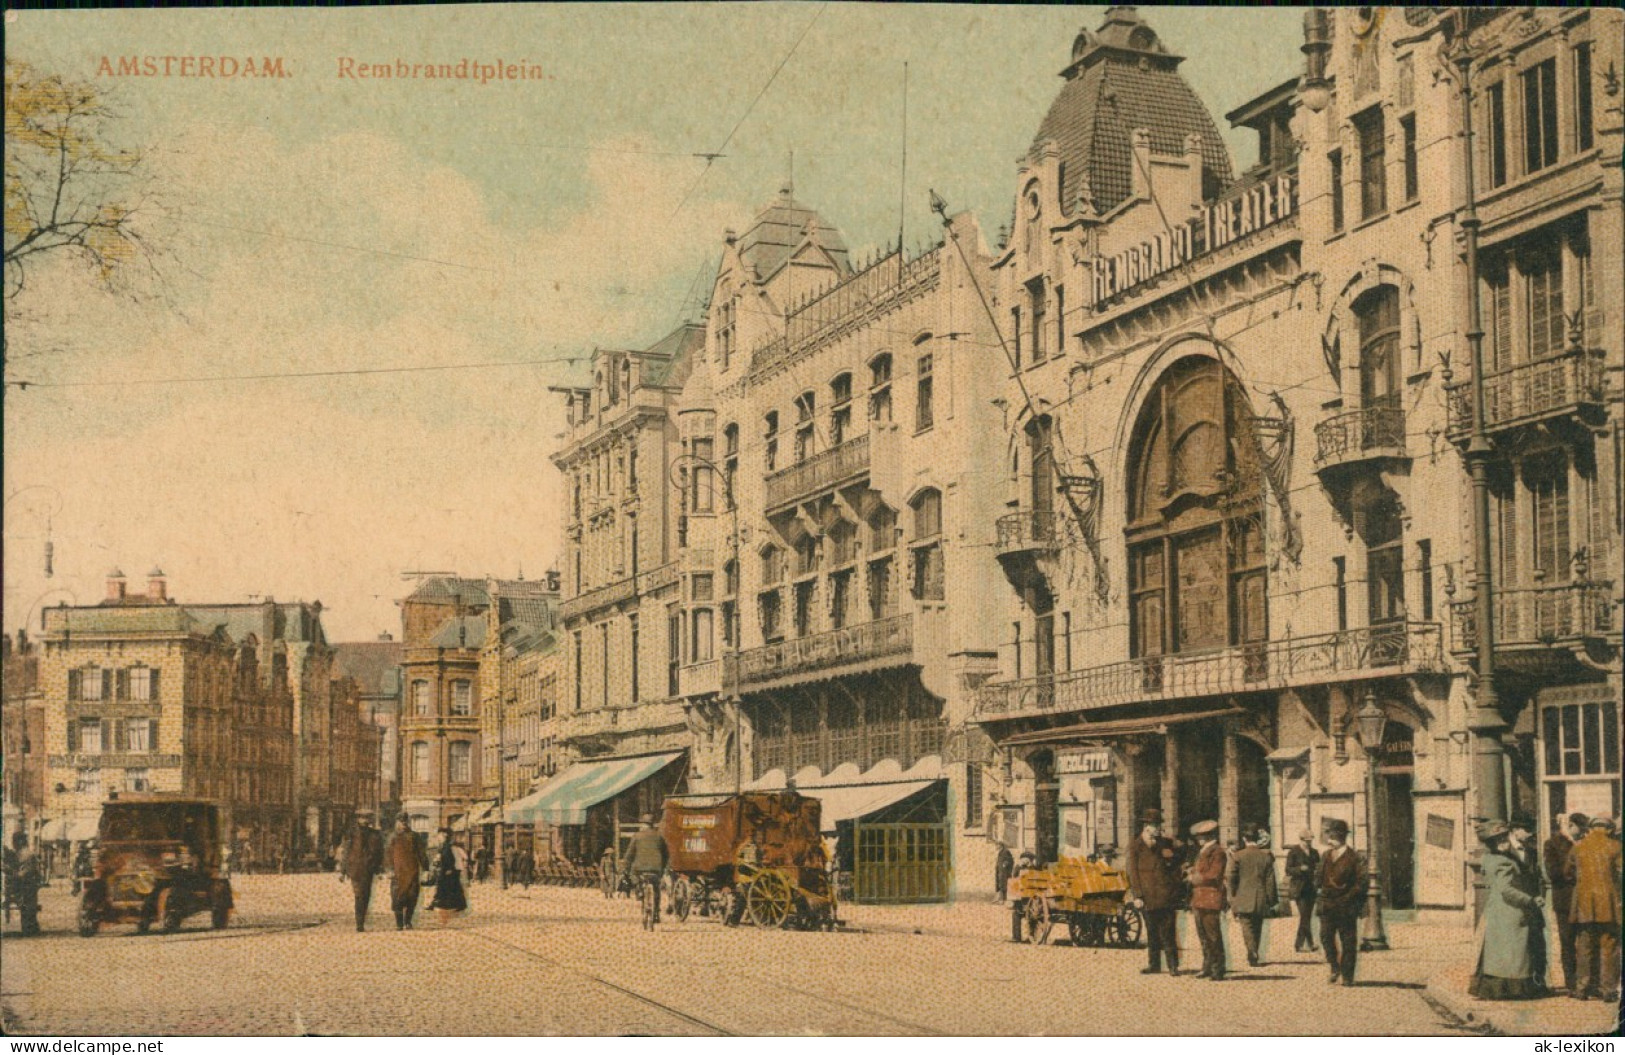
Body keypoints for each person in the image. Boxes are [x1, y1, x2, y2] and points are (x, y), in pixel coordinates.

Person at [1468, 820, 1546, 999]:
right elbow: (1506, 890)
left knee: (1499, 952)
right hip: (1510, 911)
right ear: (1492, 843)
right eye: (1498, 840)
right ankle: (1513, 990)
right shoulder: (1504, 862)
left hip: (1497, 910)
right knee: (1514, 953)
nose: (1504, 842)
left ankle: (1495, 989)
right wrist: (1530, 900)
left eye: (1504, 838)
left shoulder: (1490, 859)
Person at [1565, 816, 1621, 1003]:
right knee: (1609, 947)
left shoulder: (1578, 847)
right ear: (1609, 829)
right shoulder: (1616, 846)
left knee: (1584, 946)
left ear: (1591, 828)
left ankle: (1582, 988)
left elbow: (1567, 873)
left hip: (1584, 905)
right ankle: (1608, 990)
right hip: (1609, 905)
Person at [1125, 808, 1183, 976]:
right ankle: (1154, 964)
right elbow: (1132, 873)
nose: (1158, 828)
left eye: (1158, 825)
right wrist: (1138, 896)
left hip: (1165, 895)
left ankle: (1173, 966)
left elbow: (1180, 857)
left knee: (1169, 931)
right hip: (1147, 896)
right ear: (1146, 826)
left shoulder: (1165, 843)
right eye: (1155, 825)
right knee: (1152, 932)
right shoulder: (1135, 846)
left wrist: (1172, 857)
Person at [1316, 817, 1368, 987]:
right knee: (1325, 937)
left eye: (1332, 836)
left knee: (1348, 942)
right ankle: (1334, 967)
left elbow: (1361, 883)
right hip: (1327, 905)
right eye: (1328, 835)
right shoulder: (1325, 855)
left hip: (1346, 906)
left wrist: (1347, 898)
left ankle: (1347, 976)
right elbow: (1318, 878)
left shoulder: (1354, 857)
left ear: (1341, 837)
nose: (1329, 839)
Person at [1228, 825, 1279, 968]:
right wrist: (1272, 900)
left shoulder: (1237, 856)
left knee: (1247, 926)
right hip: (1261, 897)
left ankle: (1252, 951)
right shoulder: (1266, 856)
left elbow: (1231, 877)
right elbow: (1270, 880)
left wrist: (1232, 896)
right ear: (1257, 839)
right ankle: (1255, 951)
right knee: (1258, 926)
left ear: (1244, 839)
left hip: (1243, 897)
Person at [1543, 812, 1582, 994]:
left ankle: (1586, 982)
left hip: (1583, 901)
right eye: (1579, 829)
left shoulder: (1582, 842)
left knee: (1585, 943)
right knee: (1567, 943)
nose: (1581, 833)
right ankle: (1571, 984)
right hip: (1564, 900)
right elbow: (1553, 873)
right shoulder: (1551, 844)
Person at [1509, 815, 1548, 993]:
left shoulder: (1531, 851)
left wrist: (1540, 895)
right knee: (1517, 946)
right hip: (1514, 905)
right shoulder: (1503, 851)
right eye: (1526, 830)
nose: (1530, 834)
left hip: (1532, 905)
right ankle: (1516, 986)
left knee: (1537, 944)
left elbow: (1537, 877)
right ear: (1515, 830)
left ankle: (1537, 984)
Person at [1187, 820, 1227, 981]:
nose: (1198, 839)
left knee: (1213, 936)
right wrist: (1191, 870)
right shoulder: (1204, 851)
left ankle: (1218, 969)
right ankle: (1207, 966)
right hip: (1199, 898)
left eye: (1201, 836)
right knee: (1203, 936)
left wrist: (1193, 877)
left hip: (1210, 898)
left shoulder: (1217, 852)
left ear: (1209, 836)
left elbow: (1214, 874)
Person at [341, 813, 385, 932]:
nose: (364, 821)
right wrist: (342, 871)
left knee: (366, 896)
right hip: (355, 869)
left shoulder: (375, 834)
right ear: (358, 819)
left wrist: (380, 869)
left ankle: (361, 920)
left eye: (366, 818)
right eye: (362, 818)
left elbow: (380, 853)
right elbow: (346, 852)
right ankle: (359, 923)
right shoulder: (352, 834)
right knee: (359, 895)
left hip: (369, 869)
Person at [626, 813, 670, 923]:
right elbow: (666, 854)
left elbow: (629, 855)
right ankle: (656, 913)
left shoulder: (637, 836)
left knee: (634, 877)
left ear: (643, 824)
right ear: (652, 824)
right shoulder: (659, 836)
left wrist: (625, 868)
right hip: (656, 869)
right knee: (656, 889)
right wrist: (663, 868)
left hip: (640, 869)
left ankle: (640, 892)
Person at [387, 815, 428, 930]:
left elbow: (422, 853)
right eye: (401, 821)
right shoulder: (392, 837)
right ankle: (399, 923)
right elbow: (388, 855)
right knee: (397, 898)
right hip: (397, 872)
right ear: (397, 822)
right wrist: (389, 869)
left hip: (412, 871)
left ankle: (408, 921)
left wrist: (426, 869)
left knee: (412, 897)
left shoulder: (415, 836)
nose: (403, 823)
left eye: (405, 821)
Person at [1286, 828, 1320, 952]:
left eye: (1310, 841)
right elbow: (1288, 869)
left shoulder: (1315, 852)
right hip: (1299, 889)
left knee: (1307, 916)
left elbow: (1318, 868)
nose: (1309, 843)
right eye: (1307, 841)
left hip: (1311, 888)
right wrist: (1300, 868)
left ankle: (1301, 944)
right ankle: (1307, 944)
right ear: (1301, 840)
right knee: (1305, 916)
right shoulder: (1294, 852)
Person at [4, 832, 44, 936]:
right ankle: (31, 927)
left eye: (14, 841)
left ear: (20, 842)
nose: (13, 843)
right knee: (28, 908)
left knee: (28, 908)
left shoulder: (26, 854)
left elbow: (24, 873)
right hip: (26, 884)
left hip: (27, 884)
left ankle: (30, 928)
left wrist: (11, 872)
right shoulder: (20, 853)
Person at [429, 830, 469, 926]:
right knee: (448, 891)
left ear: (443, 837)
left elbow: (450, 859)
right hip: (446, 871)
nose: (438, 838)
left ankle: (444, 915)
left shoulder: (447, 847)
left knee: (444, 892)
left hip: (447, 872)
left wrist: (449, 868)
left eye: (439, 836)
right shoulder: (443, 846)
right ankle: (446, 910)